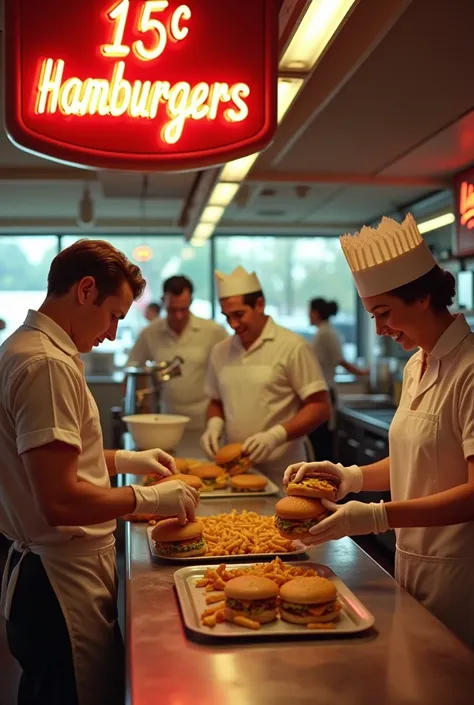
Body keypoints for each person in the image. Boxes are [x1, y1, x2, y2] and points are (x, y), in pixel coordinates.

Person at [0, 240, 199, 705]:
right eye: (114, 315)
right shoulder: (45, 363)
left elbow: (55, 458)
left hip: (45, 572)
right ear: (86, 289)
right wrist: (149, 500)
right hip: (58, 581)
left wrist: (126, 460)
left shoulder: (33, 347)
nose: (112, 333)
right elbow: (59, 501)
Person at [284, 213, 474, 648]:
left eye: (384, 313)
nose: (379, 328)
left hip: (461, 570)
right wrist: (348, 477)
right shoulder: (416, 364)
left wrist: (377, 516)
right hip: (412, 560)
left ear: (423, 298)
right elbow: (414, 463)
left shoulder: (470, 370)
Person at [200, 266, 331, 478]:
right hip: (236, 471)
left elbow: (320, 407)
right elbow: (216, 401)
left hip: (284, 472)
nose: (233, 324)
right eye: (227, 317)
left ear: (259, 304)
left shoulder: (292, 346)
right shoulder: (220, 351)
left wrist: (276, 436)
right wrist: (214, 424)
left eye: (239, 315)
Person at [126, 275, 227, 430]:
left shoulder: (213, 331)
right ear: (163, 301)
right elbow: (131, 369)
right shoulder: (150, 333)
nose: (178, 316)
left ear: (191, 301)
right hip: (166, 417)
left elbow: (229, 370)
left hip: (204, 417)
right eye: (172, 310)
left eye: (183, 309)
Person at [309, 297, 369, 461]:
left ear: (316, 313)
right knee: (319, 441)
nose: (309, 315)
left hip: (326, 391)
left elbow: (340, 360)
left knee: (323, 443)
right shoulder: (322, 332)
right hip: (324, 390)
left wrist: (362, 373)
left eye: (310, 311)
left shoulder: (326, 333)